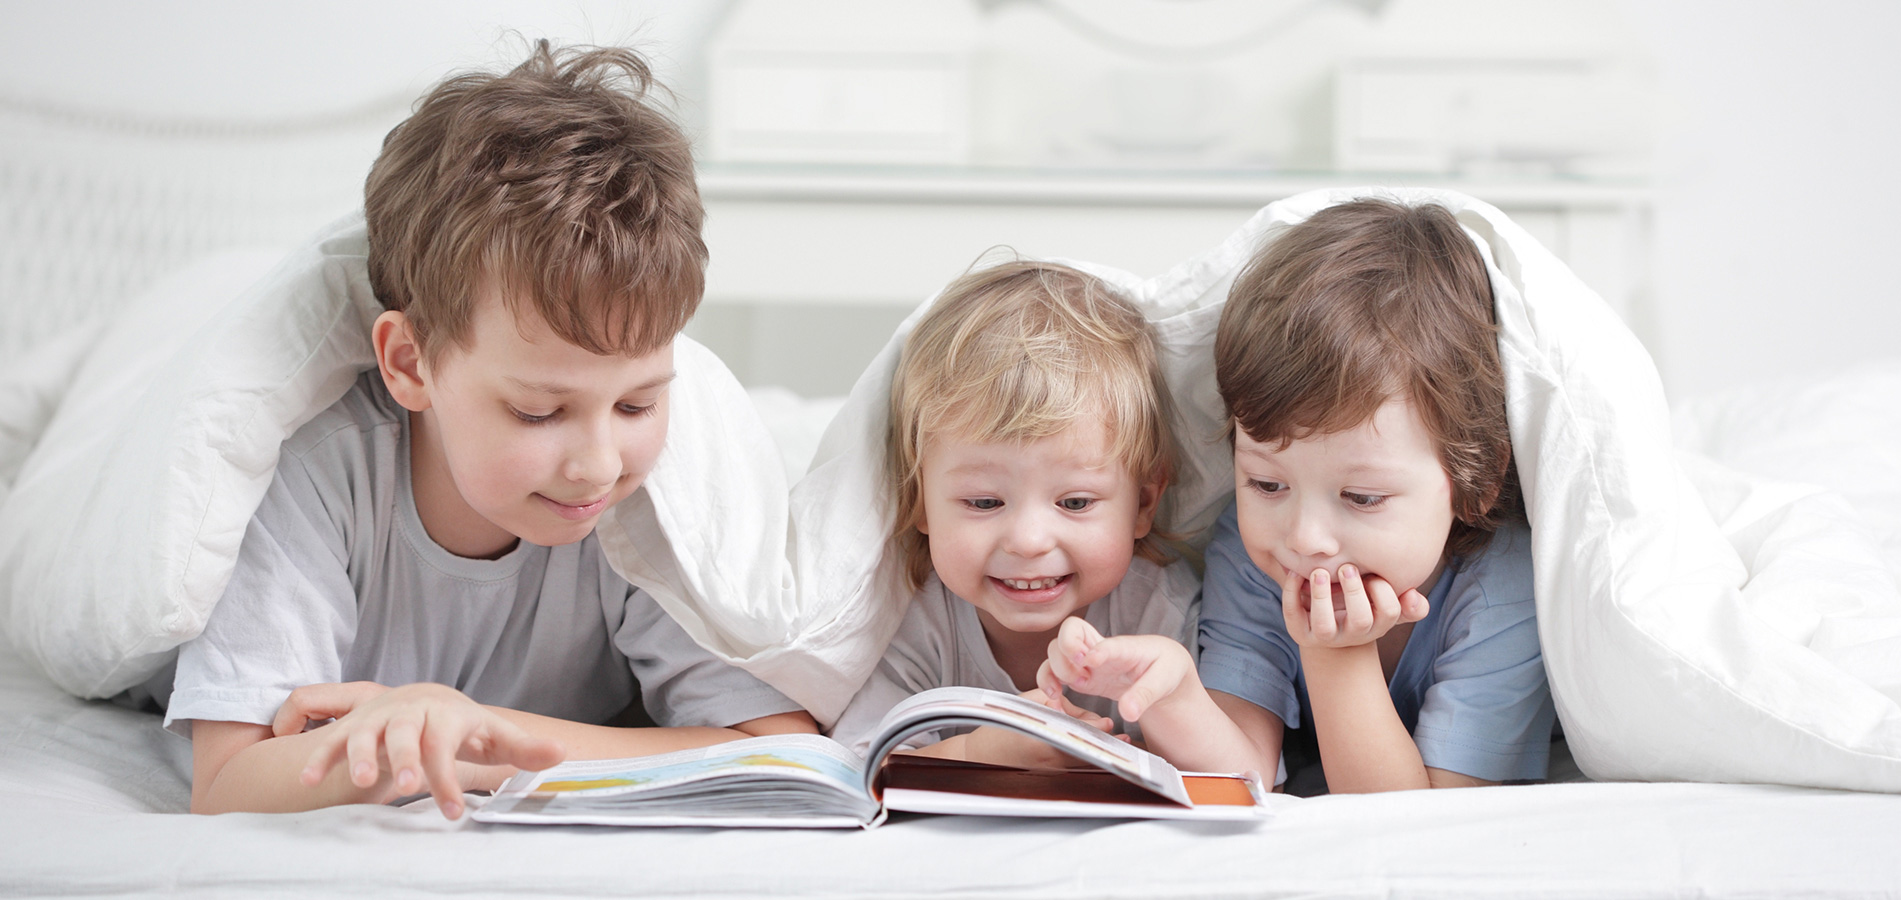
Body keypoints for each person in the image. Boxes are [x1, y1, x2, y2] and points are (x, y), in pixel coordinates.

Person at [164, 42, 814, 820]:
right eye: (538, 412)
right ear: (410, 363)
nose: (599, 465)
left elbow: (784, 750)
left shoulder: (643, 502)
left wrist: (478, 734)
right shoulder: (316, 476)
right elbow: (228, 782)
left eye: (638, 404)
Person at [1039, 198, 1555, 793]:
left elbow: (1419, 825)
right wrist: (1176, 690)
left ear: (1477, 482)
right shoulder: (1254, 553)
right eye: (1266, 483)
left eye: (1361, 497)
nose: (1304, 537)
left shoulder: (1503, 586)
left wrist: (1338, 655)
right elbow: (1242, 776)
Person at [828, 259, 1199, 764]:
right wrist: (983, 752)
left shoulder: (1163, 613)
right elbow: (860, 764)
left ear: (1143, 504)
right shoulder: (912, 616)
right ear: (919, 501)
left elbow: (1235, 772)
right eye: (984, 502)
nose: (1028, 541)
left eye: (1074, 502)